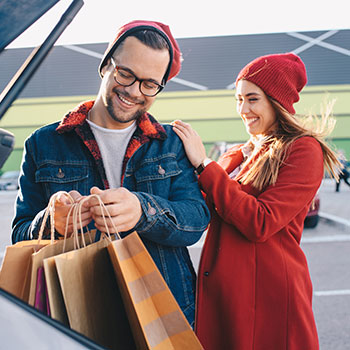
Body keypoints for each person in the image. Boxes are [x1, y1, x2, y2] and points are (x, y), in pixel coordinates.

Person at [11, 20, 210, 326]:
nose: (133, 91)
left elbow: (195, 220)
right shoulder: (43, 144)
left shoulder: (171, 143)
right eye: (126, 74)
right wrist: (53, 221)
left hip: (163, 311)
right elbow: (20, 233)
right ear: (106, 66)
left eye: (149, 84)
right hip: (78, 316)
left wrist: (143, 210)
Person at [173, 53, 340, 349]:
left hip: (268, 299)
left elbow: (260, 222)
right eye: (239, 99)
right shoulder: (236, 154)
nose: (243, 109)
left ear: (277, 101)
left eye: (252, 99)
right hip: (224, 295)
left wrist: (203, 164)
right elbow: (197, 208)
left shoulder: (303, 151)